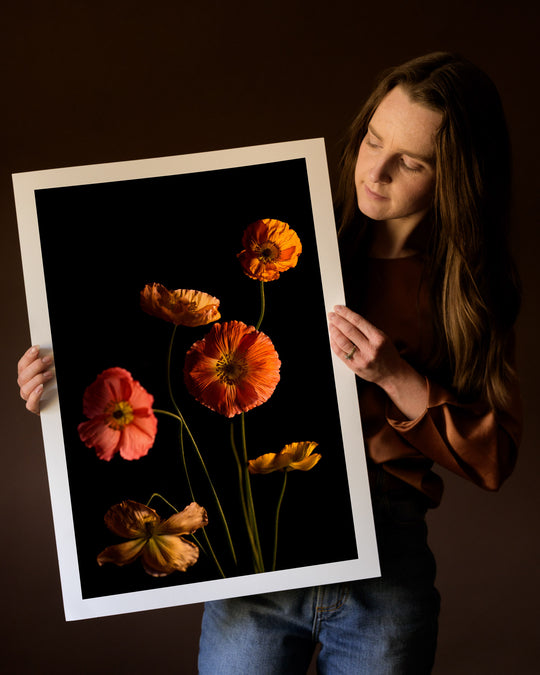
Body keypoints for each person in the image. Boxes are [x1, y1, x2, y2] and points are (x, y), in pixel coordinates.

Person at [17, 52, 521, 674]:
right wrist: (58, 376)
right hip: (263, 555)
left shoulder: (467, 290)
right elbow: (170, 332)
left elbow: (495, 458)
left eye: (411, 162)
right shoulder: (289, 236)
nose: (376, 170)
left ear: (456, 177)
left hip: (389, 559)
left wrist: (394, 375)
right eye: (372, 139)